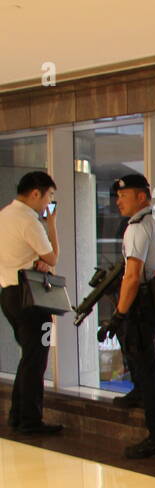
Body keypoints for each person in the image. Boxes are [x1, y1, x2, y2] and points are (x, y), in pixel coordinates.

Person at [98, 174, 155, 458]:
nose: (118, 201)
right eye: (117, 196)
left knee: (148, 371)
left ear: (142, 197)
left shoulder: (136, 227)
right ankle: (138, 393)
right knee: (143, 361)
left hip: (144, 305)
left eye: (124, 195)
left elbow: (132, 277)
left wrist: (119, 314)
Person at [0, 170, 62, 435]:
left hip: (8, 295)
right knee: (36, 360)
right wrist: (52, 225)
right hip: (31, 299)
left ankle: (17, 415)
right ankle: (30, 420)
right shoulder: (29, 220)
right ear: (36, 192)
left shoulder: (3, 216)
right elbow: (52, 258)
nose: (47, 203)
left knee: (28, 357)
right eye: (48, 196)